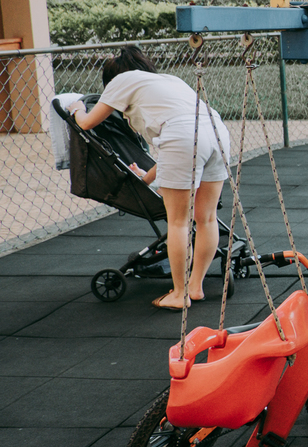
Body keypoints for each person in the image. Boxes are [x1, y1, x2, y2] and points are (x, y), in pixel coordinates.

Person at [68, 45, 231, 310]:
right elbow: (180, 139)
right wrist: (147, 177)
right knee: (207, 218)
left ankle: (179, 294)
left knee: (178, 222)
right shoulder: (169, 81)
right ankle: (195, 287)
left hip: (184, 136)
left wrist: (76, 108)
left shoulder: (121, 80)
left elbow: (86, 123)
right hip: (217, 131)